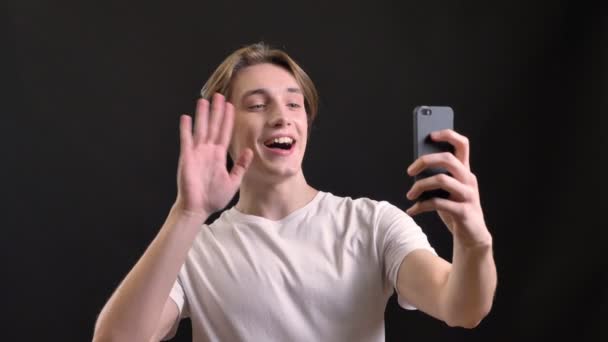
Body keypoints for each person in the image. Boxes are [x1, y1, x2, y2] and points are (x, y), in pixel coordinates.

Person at [92, 42, 497, 342]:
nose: (280, 117)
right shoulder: (195, 247)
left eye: (293, 104)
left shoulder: (373, 224)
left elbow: (461, 307)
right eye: (256, 105)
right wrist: (187, 213)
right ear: (223, 126)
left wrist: (475, 242)